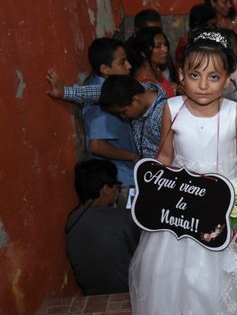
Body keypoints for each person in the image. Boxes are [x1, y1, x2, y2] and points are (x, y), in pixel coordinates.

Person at [129, 27, 237, 315]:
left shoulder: (234, 112)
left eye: (213, 76)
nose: (204, 85)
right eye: (195, 75)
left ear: (228, 79)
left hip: (223, 198)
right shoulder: (172, 108)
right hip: (182, 201)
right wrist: (152, 187)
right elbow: (165, 155)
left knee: (221, 264)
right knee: (180, 266)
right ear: (181, 74)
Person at [47, 72, 167, 159]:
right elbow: (99, 93)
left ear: (136, 100)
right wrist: (64, 93)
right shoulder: (139, 90)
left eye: (124, 112)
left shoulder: (164, 116)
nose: (123, 117)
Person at [66, 159, 140, 295]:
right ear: (105, 190)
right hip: (127, 292)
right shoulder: (123, 218)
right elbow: (140, 254)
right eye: (117, 186)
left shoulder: (72, 220)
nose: (117, 191)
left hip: (91, 293)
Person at [81, 38, 139, 205]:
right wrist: (132, 156)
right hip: (121, 180)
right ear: (105, 69)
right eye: (122, 63)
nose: (128, 66)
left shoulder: (110, 89)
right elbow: (96, 146)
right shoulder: (102, 97)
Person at [132, 27, 176, 97]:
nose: (165, 50)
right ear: (143, 52)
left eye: (165, 45)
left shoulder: (156, 69)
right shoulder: (145, 82)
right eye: (158, 46)